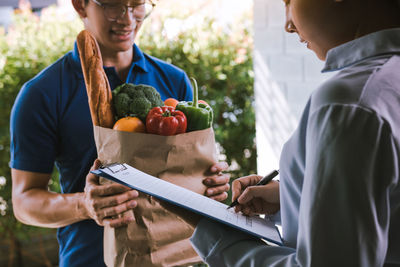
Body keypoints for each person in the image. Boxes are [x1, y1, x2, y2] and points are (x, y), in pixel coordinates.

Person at [167, 0, 400, 266]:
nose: (288, 25)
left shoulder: (349, 103)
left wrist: (217, 234)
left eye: (288, 2)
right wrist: (290, 196)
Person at [10, 0, 230, 266]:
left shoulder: (174, 81)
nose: (128, 19)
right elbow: (24, 202)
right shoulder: (42, 94)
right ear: (80, 6)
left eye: (137, 5)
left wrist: (210, 186)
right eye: (113, 5)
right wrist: (85, 205)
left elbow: (188, 173)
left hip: (176, 258)